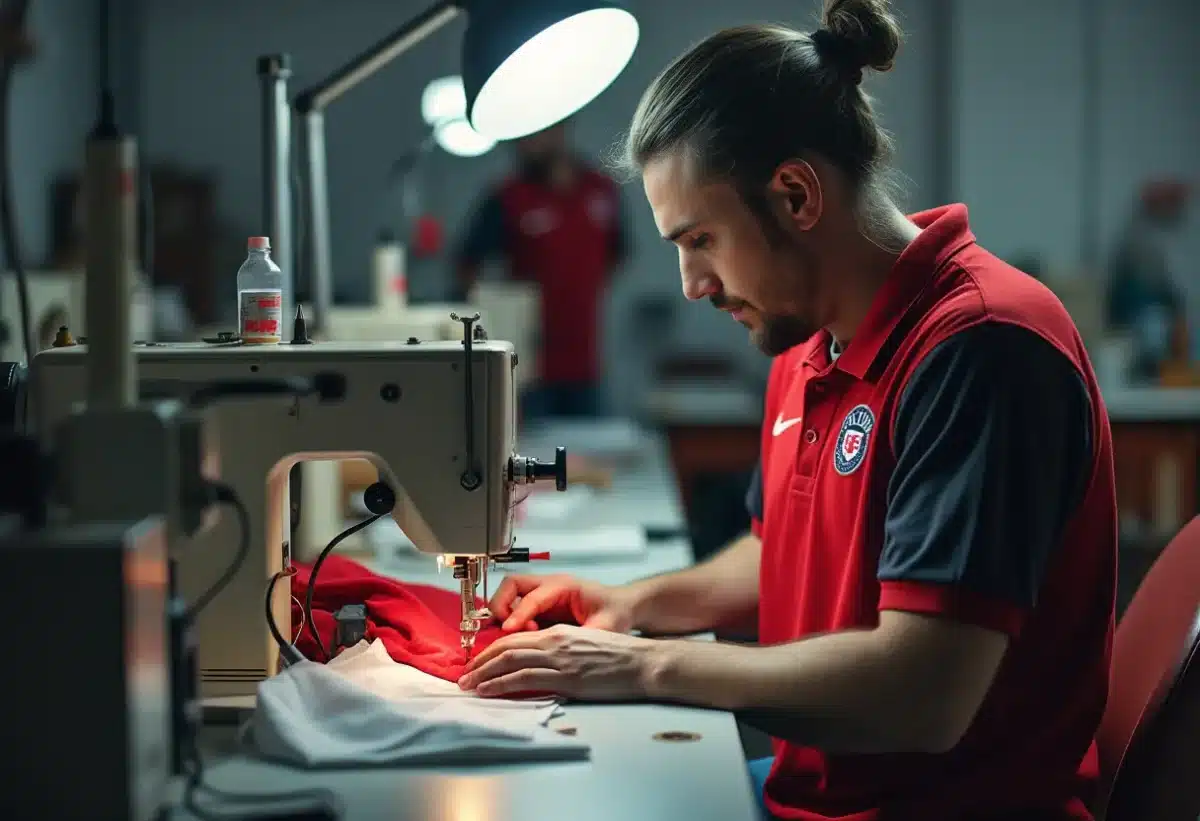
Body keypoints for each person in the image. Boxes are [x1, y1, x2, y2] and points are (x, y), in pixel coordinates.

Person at [456, 1, 1119, 819]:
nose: (692, 285)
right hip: (814, 795)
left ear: (796, 194)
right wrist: (632, 606)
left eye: (700, 240)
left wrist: (642, 666)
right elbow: (788, 556)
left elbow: (926, 693)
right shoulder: (809, 344)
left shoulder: (982, 348)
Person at [453, 120, 629, 420]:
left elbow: (617, 253)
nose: (524, 144)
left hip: (585, 361)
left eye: (532, 133)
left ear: (558, 128)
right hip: (528, 368)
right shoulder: (507, 197)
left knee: (588, 452)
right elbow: (466, 265)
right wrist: (499, 315)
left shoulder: (602, 190)